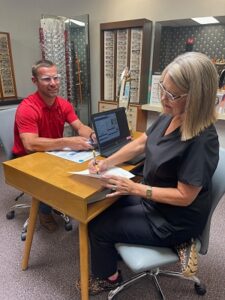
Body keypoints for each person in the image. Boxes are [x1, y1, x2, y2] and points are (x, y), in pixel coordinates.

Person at [83, 52, 219, 295]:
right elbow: (141, 143)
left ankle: (109, 279)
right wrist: (106, 162)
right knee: (105, 205)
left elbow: (184, 196)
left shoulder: (202, 140)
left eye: (173, 95)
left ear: (196, 97)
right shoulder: (170, 114)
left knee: (98, 227)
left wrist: (134, 188)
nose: (163, 98)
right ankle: (125, 248)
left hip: (176, 217)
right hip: (153, 198)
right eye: (162, 88)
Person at [13, 59, 96, 232]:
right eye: (46, 79)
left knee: (85, 164)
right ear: (34, 81)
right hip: (27, 158)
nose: (53, 83)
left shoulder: (63, 104)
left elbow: (79, 127)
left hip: (53, 152)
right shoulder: (27, 108)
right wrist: (67, 142)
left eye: (56, 78)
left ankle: (60, 200)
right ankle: (44, 210)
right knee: (49, 175)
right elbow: (30, 144)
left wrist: (94, 135)